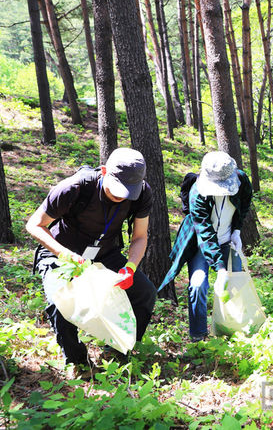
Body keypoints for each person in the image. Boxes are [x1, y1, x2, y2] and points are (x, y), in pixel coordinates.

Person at [26, 148, 157, 368]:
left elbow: (140, 236)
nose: (120, 195)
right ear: (104, 171)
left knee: (145, 293)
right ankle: (78, 362)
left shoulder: (142, 193)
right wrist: (64, 254)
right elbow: (34, 224)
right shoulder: (75, 187)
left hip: (105, 252)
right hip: (61, 252)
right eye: (116, 189)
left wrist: (131, 267)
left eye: (128, 192)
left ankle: (117, 352)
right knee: (61, 301)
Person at [159, 151, 253, 341]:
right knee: (197, 284)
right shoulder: (197, 193)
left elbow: (244, 205)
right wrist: (219, 268)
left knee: (234, 288)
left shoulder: (241, 181)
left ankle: (231, 331)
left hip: (228, 240)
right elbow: (205, 232)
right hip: (202, 244)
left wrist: (236, 230)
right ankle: (198, 337)